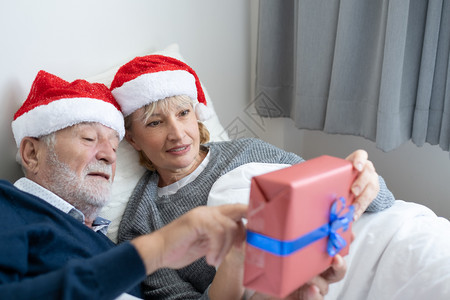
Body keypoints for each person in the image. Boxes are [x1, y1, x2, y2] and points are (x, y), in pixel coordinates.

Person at [110, 55, 395, 299]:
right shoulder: (141, 226)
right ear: (133, 139)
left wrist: (362, 179)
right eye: (156, 122)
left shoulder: (249, 150)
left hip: (360, 253)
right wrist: (237, 256)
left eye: (183, 113)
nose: (177, 133)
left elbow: (380, 201)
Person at [0, 70, 249, 300]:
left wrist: (237, 258)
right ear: (32, 153)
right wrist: (154, 249)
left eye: (114, 146)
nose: (108, 155)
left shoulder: (113, 249)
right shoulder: (9, 206)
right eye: (89, 138)